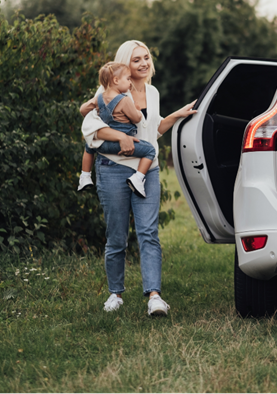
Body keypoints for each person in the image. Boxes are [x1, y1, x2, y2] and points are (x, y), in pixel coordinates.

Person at [80, 40, 197, 316]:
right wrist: (121, 136)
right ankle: (115, 294)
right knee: (116, 236)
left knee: (148, 233)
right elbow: (89, 127)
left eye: (146, 57)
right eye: (136, 60)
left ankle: (154, 296)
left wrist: (176, 116)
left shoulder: (153, 92)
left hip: (148, 170)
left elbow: (151, 130)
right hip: (113, 168)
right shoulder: (108, 91)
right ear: (125, 65)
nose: (144, 63)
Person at [79, 62, 156, 198]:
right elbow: (137, 119)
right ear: (115, 80)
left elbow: (83, 110)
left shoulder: (99, 98)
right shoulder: (125, 101)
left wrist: (95, 109)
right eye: (127, 79)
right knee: (150, 151)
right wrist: (137, 110)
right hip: (121, 145)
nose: (130, 83)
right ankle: (138, 178)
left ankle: (85, 176)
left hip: (102, 145)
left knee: (89, 145)